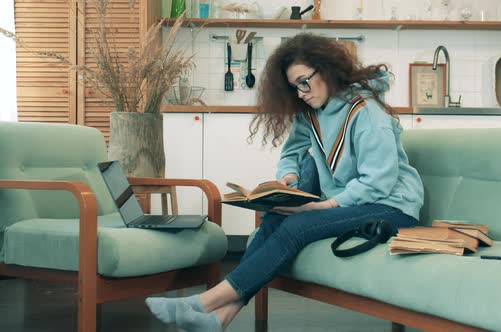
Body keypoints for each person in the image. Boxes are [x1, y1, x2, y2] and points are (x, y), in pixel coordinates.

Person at [145, 32, 424, 332]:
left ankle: (201, 303)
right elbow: (291, 152)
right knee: (273, 218)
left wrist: (323, 206)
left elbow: (378, 182)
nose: (301, 92)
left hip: (391, 206)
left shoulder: (366, 112)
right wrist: (287, 177)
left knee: (298, 225)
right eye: (295, 87)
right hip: (353, 202)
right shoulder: (312, 114)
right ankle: (219, 319)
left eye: (304, 81)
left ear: (327, 70)